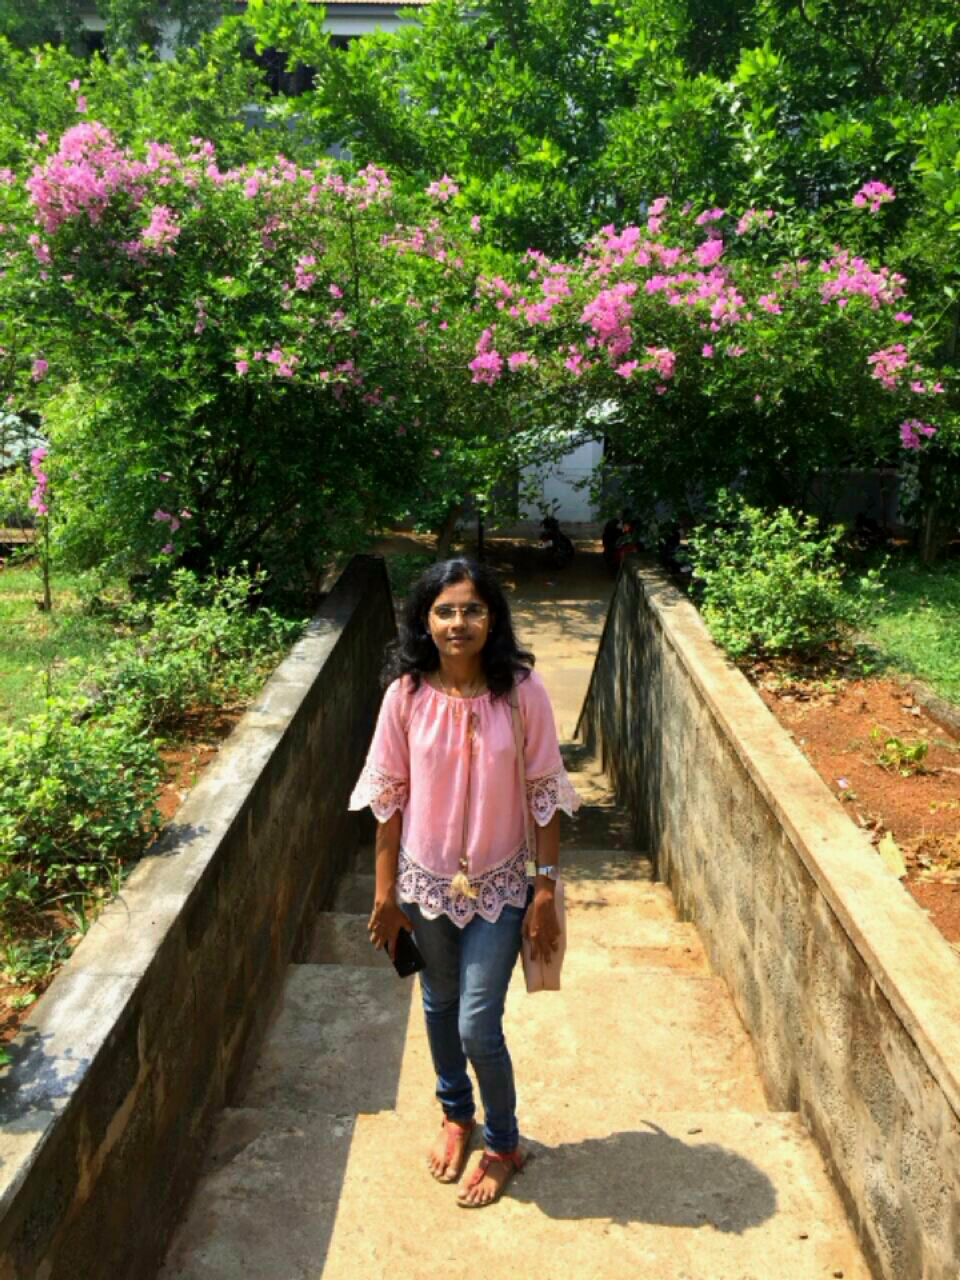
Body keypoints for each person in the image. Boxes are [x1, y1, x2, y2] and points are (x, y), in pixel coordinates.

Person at [349, 557, 580, 1207]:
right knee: (436, 1004)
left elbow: (544, 795)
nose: (459, 622)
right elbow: (389, 800)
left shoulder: (523, 692)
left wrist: (543, 891)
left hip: (501, 888)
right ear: (425, 621)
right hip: (424, 887)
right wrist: (385, 896)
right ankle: (457, 1114)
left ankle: (504, 1143)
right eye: (445, 611)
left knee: (478, 1023)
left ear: (493, 618)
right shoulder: (405, 695)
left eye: (473, 609)